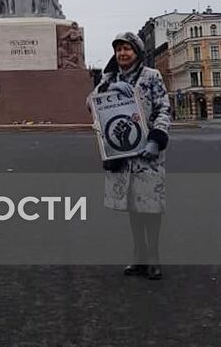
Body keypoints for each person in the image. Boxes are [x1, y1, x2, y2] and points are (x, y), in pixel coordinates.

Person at [87, 32, 171, 280]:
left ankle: (153, 255)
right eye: (119, 49)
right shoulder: (108, 78)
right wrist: (108, 88)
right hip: (121, 152)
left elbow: (164, 109)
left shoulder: (151, 76)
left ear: (137, 52)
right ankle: (139, 254)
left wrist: (157, 139)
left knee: (151, 204)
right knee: (133, 204)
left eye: (127, 49)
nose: (122, 54)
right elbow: (90, 104)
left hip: (147, 151)